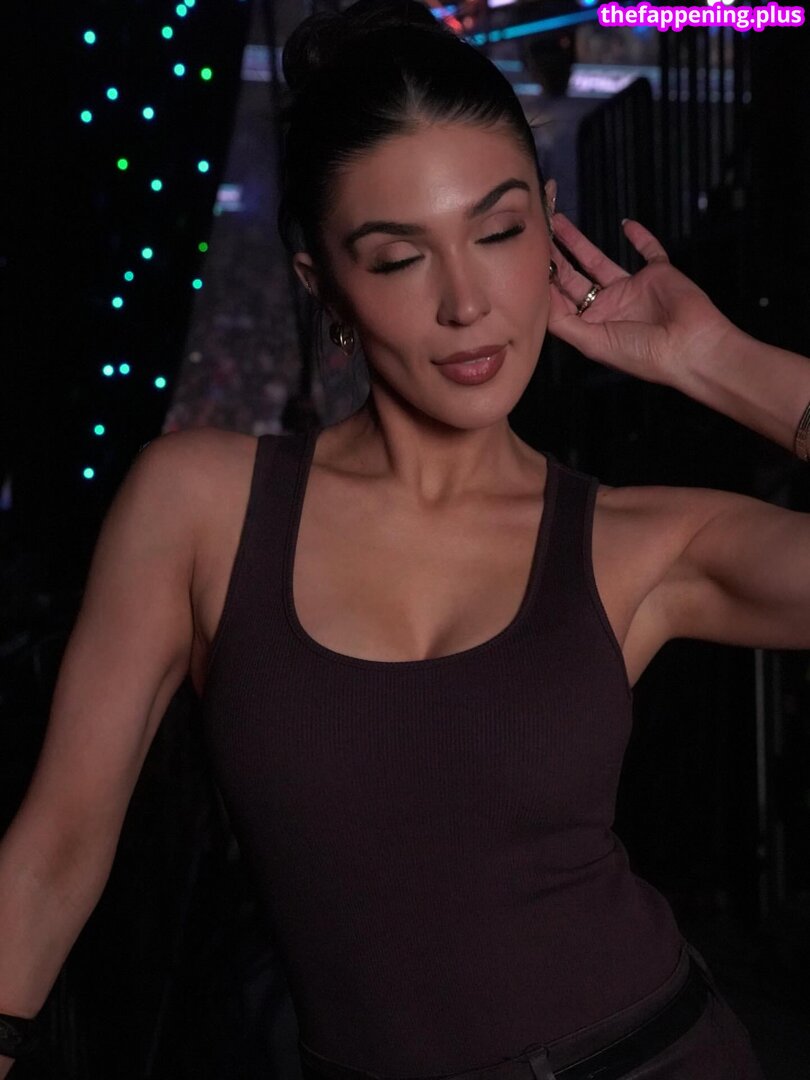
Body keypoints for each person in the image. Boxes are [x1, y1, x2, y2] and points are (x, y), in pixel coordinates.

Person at [1, 1, 808, 1076]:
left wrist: (715, 361)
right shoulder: (199, 505)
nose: (466, 302)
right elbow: (54, 854)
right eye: (396, 258)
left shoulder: (642, 540)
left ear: (549, 225)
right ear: (323, 286)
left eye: (499, 232)